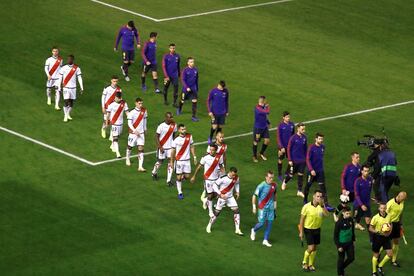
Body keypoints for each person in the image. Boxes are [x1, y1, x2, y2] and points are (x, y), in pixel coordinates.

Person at [206, 167, 243, 235]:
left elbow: (237, 183)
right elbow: (214, 185)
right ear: (230, 172)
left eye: (234, 175)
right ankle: (209, 225)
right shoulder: (223, 178)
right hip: (222, 198)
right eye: (232, 175)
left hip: (230, 197)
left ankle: (237, 229)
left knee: (236, 211)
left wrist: (237, 192)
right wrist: (220, 194)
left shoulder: (236, 177)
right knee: (217, 213)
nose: (233, 176)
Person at [299, 190, 329, 272]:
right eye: (317, 196)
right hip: (308, 229)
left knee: (315, 248)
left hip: (317, 229)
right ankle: (304, 262)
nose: (319, 198)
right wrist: (301, 232)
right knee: (311, 247)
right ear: (313, 196)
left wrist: (323, 206)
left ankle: (310, 264)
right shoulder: (306, 206)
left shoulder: (321, 207)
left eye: (320, 197)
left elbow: (327, 214)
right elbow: (302, 220)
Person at [191, 144, 225, 217]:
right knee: (210, 195)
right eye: (210, 149)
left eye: (213, 150)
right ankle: (210, 212)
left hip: (216, 180)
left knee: (216, 195)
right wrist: (194, 176)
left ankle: (205, 200)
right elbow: (199, 167)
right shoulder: (205, 157)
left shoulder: (219, 157)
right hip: (208, 180)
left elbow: (221, 166)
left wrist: (224, 176)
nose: (211, 151)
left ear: (216, 150)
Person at [304, 133, 334, 211]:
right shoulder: (311, 148)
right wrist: (311, 169)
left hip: (320, 171)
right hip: (312, 172)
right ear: (316, 139)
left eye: (322, 139)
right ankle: (305, 200)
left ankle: (326, 204)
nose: (321, 140)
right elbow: (307, 159)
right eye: (319, 139)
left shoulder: (323, 147)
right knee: (308, 185)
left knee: (323, 188)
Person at [250, 171, 277, 247]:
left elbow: (275, 196)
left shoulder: (274, 185)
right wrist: (254, 207)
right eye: (270, 177)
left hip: (271, 208)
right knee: (261, 223)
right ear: (266, 177)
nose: (271, 179)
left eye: (272, 177)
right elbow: (254, 196)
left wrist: (275, 208)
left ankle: (265, 240)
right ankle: (254, 230)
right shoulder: (261, 186)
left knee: (269, 224)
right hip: (262, 207)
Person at [200, 131, 227, 208]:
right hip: (212, 169)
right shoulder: (211, 146)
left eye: (223, 137)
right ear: (217, 137)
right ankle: (207, 199)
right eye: (220, 137)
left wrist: (224, 167)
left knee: (220, 187)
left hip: (220, 169)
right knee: (213, 190)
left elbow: (224, 157)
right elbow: (206, 155)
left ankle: (214, 202)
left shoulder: (224, 146)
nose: (222, 139)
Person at [170, 124, 197, 199]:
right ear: (179, 130)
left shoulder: (189, 136)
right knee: (178, 177)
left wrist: (194, 156)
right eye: (182, 129)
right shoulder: (176, 140)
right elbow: (172, 152)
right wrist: (171, 162)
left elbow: (192, 146)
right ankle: (180, 192)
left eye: (185, 129)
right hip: (179, 161)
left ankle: (179, 180)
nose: (184, 130)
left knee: (187, 176)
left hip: (187, 161)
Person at [281, 122, 307, 198]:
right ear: (298, 129)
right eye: (302, 129)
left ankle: (299, 191)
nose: (303, 130)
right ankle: (285, 182)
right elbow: (288, 149)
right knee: (291, 175)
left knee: (300, 175)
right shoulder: (293, 138)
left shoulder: (304, 138)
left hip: (302, 161)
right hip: (294, 161)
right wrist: (289, 160)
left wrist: (306, 159)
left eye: (304, 129)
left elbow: (305, 149)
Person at [151, 112, 177, 186]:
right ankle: (154, 172)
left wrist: (174, 146)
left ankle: (168, 180)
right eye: (170, 117)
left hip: (170, 148)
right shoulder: (161, 126)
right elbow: (156, 137)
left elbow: (174, 135)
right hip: (162, 147)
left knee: (171, 162)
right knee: (160, 161)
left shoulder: (174, 125)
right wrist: (160, 147)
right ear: (166, 118)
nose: (172, 118)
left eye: (172, 117)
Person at [57, 55, 84, 122]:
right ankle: (65, 116)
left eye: (70, 59)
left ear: (73, 60)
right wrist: (59, 86)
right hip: (66, 87)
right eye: (68, 59)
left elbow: (79, 78)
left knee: (71, 103)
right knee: (66, 102)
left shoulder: (77, 68)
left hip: (73, 88)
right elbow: (60, 77)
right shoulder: (63, 68)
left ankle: (68, 114)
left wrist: (81, 87)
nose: (69, 60)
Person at [369, 203, 393, 276]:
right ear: (379, 209)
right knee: (376, 255)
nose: (383, 210)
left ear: (386, 208)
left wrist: (389, 232)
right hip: (377, 237)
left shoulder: (389, 216)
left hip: (386, 237)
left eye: (384, 208)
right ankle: (374, 272)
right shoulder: (375, 217)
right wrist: (378, 232)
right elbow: (370, 228)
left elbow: (390, 224)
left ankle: (380, 265)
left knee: (390, 254)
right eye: (381, 208)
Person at [126, 97, 147, 171]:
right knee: (130, 147)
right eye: (139, 103)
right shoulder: (131, 112)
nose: (141, 105)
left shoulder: (144, 111)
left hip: (141, 133)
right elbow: (129, 123)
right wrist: (135, 131)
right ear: (136, 103)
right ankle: (127, 158)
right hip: (133, 134)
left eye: (141, 103)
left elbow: (145, 120)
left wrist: (145, 129)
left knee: (141, 149)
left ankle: (140, 166)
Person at [386, 191, 407, 267]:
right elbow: (384, 214)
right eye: (403, 198)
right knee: (385, 242)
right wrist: (387, 225)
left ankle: (393, 260)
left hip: (396, 224)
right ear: (399, 196)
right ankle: (377, 256)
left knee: (396, 242)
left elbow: (401, 214)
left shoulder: (402, 202)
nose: (404, 200)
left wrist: (400, 224)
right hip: (389, 224)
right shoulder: (390, 203)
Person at [334, 206, 355, 276]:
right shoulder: (339, 223)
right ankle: (340, 273)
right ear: (343, 213)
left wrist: (353, 240)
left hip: (349, 243)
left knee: (351, 258)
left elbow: (352, 230)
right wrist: (338, 246)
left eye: (349, 213)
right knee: (341, 259)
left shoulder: (351, 220)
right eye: (347, 213)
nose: (348, 215)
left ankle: (341, 268)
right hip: (341, 244)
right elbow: (335, 236)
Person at [106, 92, 129, 158]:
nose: (117, 99)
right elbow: (108, 115)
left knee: (117, 137)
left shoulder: (124, 103)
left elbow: (127, 112)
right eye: (116, 97)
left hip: (121, 124)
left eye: (119, 98)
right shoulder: (111, 104)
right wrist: (107, 122)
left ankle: (112, 145)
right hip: (114, 124)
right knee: (115, 138)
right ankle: (118, 153)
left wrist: (130, 119)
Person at [177, 57, 199, 121]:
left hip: (193, 89)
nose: (192, 63)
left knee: (194, 102)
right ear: (188, 63)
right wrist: (187, 87)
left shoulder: (195, 70)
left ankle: (193, 117)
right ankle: (179, 109)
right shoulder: (185, 70)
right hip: (186, 89)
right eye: (191, 62)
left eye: (193, 62)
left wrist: (197, 88)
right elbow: (183, 80)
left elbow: (196, 80)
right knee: (182, 100)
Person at [354, 165, 374, 231]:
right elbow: (356, 195)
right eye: (365, 171)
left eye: (368, 171)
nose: (366, 173)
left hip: (367, 202)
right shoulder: (358, 181)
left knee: (368, 220)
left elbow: (370, 190)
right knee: (357, 217)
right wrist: (361, 205)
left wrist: (370, 198)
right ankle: (357, 224)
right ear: (362, 171)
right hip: (359, 203)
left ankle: (371, 235)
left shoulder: (370, 179)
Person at [276, 111, 295, 181]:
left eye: (289, 117)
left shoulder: (292, 125)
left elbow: (293, 136)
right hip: (282, 147)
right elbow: (278, 137)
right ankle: (280, 174)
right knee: (280, 160)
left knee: (290, 159)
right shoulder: (280, 125)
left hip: (289, 146)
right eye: (287, 117)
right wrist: (281, 147)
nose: (288, 118)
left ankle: (287, 172)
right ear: (283, 117)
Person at [252, 96, 270, 162]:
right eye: (265, 101)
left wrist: (268, 122)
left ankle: (261, 153)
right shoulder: (257, 108)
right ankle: (254, 156)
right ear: (263, 101)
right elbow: (267, 112)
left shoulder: (263, 107)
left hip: (264, 127)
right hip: (258, 128)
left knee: (267, 140)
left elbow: (265, 116)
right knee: (256, 142)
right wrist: (267, 107)